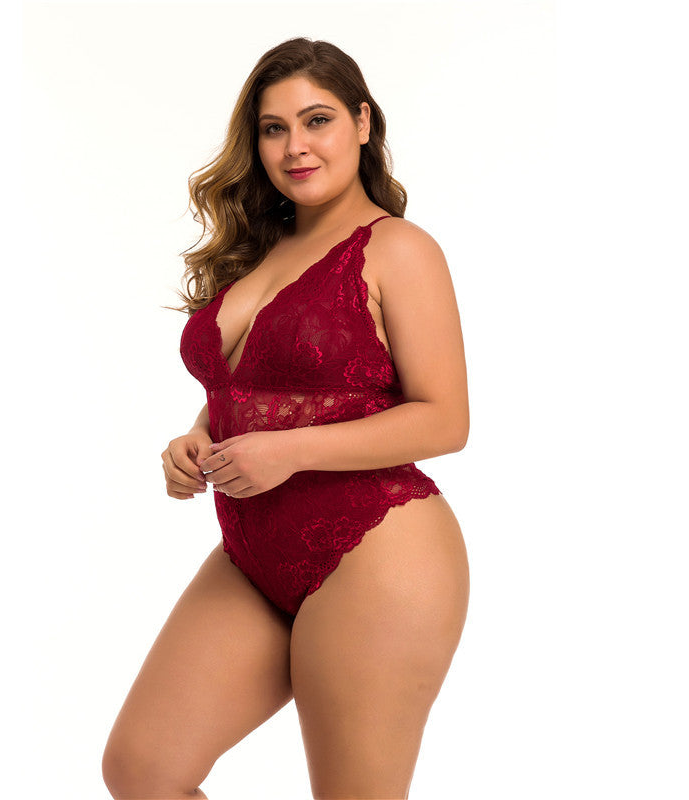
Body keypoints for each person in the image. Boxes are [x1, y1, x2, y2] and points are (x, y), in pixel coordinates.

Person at [102, 37, 470, 800]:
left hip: (377, 549)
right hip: (252, 552)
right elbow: (250, 384)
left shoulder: (399, 249)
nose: (295, 146)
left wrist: (290, 451)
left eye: (317, 120)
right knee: (144, 771)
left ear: (362, 123)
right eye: (274, 128)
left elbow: (444, 420)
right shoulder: (259, 252)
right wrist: (197, 437)